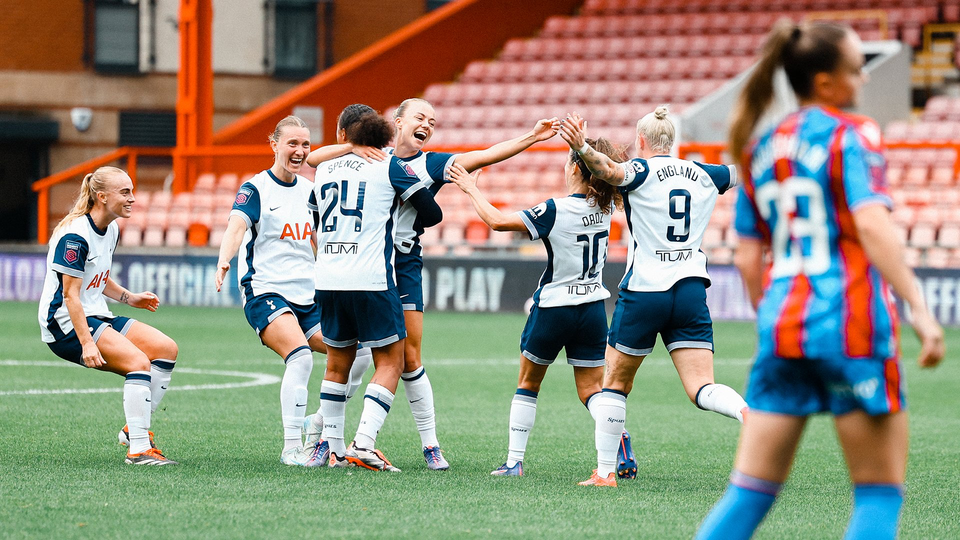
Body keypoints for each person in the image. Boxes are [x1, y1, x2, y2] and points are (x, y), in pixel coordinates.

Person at [695, 21, 945, 540]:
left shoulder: (758, 146)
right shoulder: (851, 134)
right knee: (878, 493)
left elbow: (747, 259)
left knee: (748, 494)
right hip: (850, 325)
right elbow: (873, 224)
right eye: (856, 70)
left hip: (785, 328)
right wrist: (918, 307)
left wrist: (777, 310)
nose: (862, 81)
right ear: (827, 83)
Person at [304, 98, 560, 470]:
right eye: (420, 117)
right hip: (367, 265)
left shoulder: (433, 163)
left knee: (406, 357)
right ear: (398, 121)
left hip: (399, 264)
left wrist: (532, 138)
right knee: (357, 359)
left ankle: (429, 445)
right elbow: (316, 158)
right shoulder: (375, 155)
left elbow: (486, 155)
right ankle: (329, 438)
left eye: (433, 121)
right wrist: (355, 146)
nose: (428, 124)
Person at [558, 107, 748, 487]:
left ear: (641, 141)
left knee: (614, 384)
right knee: (701, 387)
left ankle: (606, 473)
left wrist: (581, 147)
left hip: (646, 289)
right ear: (672, 141)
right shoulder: (706, 173)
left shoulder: (640, 171)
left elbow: (607, 171)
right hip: (691, 288)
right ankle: (749, 414)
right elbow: (746, 172)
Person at [446, 137, 627, 477]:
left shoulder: (556, 209)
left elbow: (498, 222)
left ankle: (514, 462)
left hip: (555, 306)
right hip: (592, 308)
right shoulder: (605, 208)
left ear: (575, 167)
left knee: (528, 383)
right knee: (591, 390)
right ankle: (615, 431)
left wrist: (470, 188)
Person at [213, 115, 371, 467]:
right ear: (274, 145)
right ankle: (291, 449)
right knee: (299, 357)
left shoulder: (311, 192)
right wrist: (224, 260)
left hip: (310, 296)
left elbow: (318, 241)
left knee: (359, 355)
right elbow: (236, 227)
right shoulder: (255, 189)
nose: (300, 151)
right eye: (292, 144)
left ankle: (318, 426)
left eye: (305, 145)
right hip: (265, 291)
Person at [312, 103, 442, 471]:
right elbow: (432, 214)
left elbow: (315, 216)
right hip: (371, 276)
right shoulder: (391, 166)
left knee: (337, 364)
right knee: (391, 361)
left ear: (343, 135)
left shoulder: (323, 169)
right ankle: (365, 442)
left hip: (328, 276)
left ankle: (333, 448)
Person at [38, 166, 179, 465]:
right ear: (101, 197)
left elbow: (97, 276)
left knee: (166, 349)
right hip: (64, 323)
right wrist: (87, 343)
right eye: (125, 192)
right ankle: (139, 450)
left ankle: (133, 430)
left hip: (95, 313)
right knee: (138, 364)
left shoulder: (111, 228)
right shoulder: (75, 236)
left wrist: (129, 298)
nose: (133, 198)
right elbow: (70, 295)